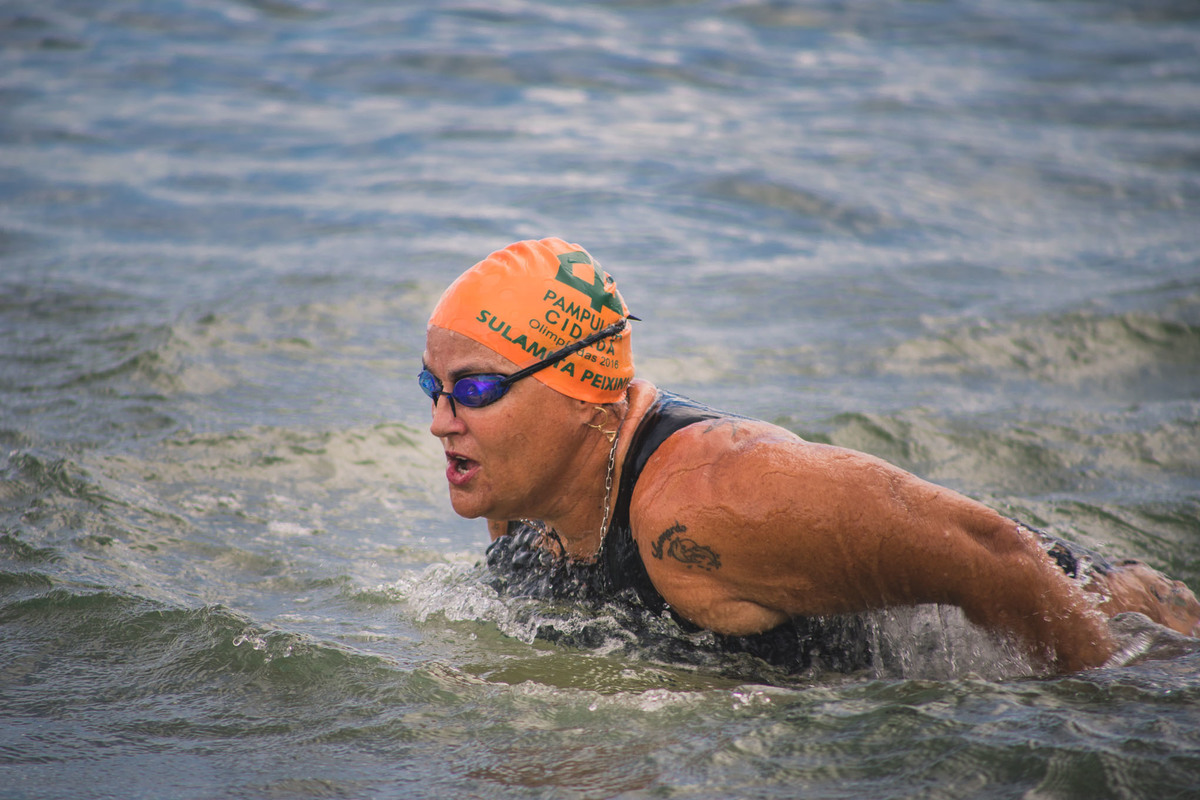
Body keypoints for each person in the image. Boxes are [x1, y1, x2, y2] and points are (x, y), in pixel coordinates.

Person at [420, 237, 1200, 674]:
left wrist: (1096, 721)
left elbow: (993, 553)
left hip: (1132, 637)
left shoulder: (704, 503)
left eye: (476, 389)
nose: (441, 420)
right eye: (433, 384)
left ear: (583, 395)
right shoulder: (522, 496)